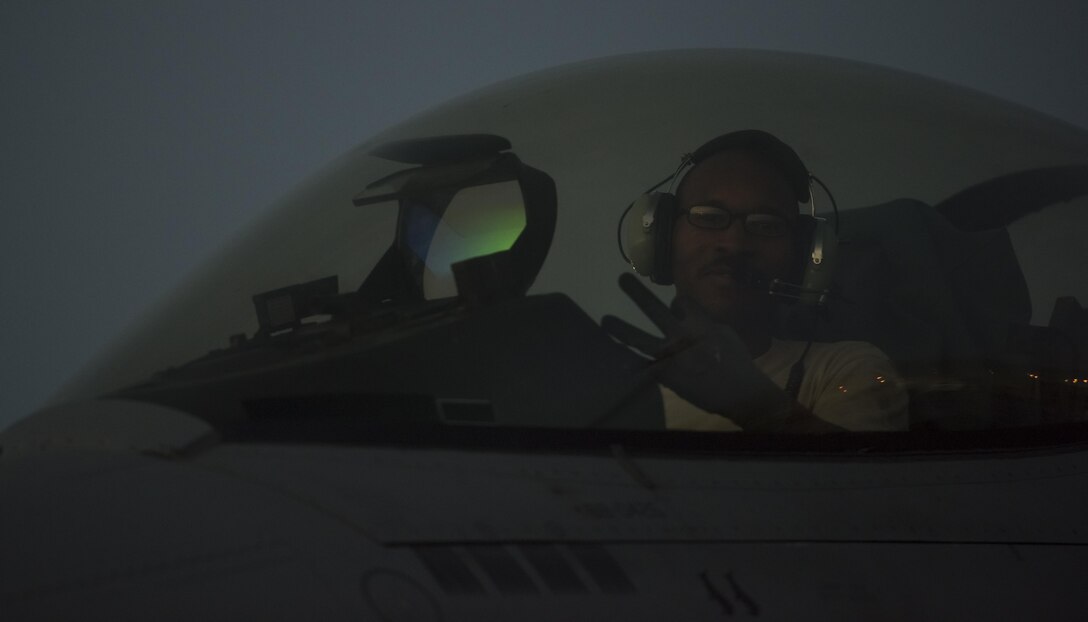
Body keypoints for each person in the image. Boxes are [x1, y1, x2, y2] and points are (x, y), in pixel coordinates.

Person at [605, 131, 908, 432]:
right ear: (661, 237)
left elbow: (853, 478)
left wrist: (760, 407)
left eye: (766, 225)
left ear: (803, 255)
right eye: (709, 217)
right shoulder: (611, 395)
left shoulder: (844, 369)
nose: (735, 244)